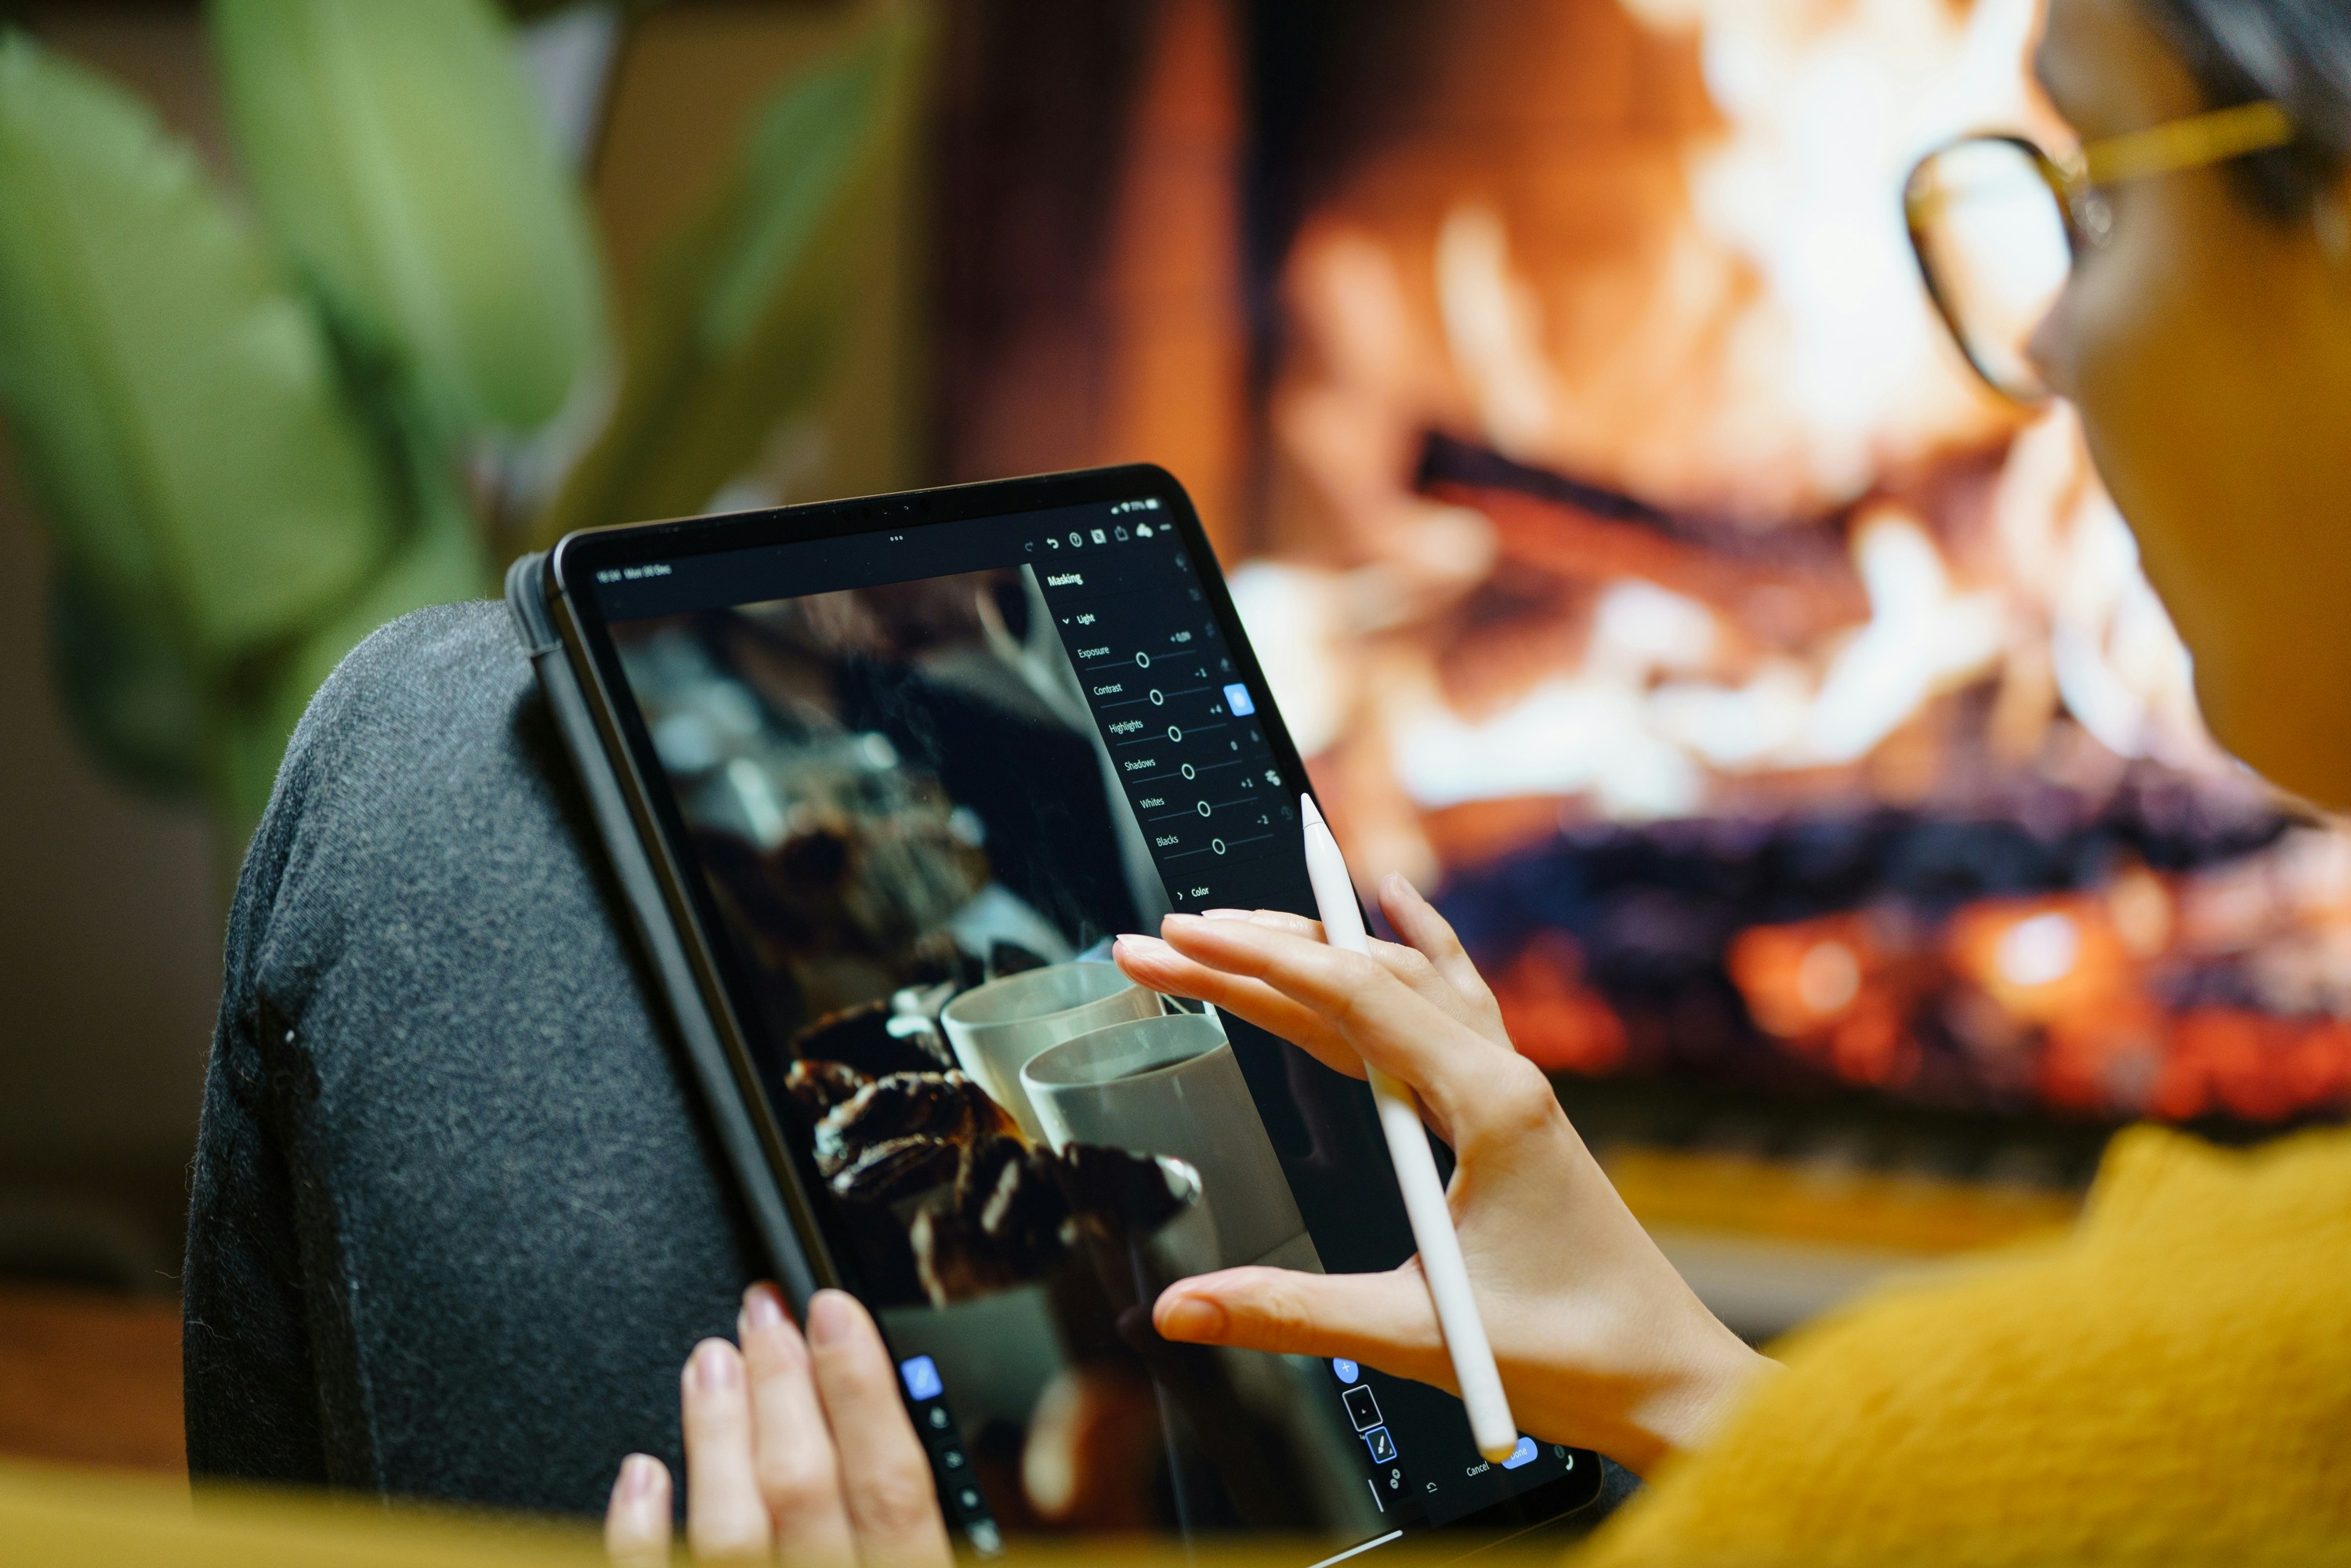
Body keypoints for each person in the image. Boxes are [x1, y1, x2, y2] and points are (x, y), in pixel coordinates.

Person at [604, 0, 2351, 1559]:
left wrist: (1837, 1478)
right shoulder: (2205, 1373)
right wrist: (1704, 1394)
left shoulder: (2124, 1396)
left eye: (2097, 190)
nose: (2040, 347)